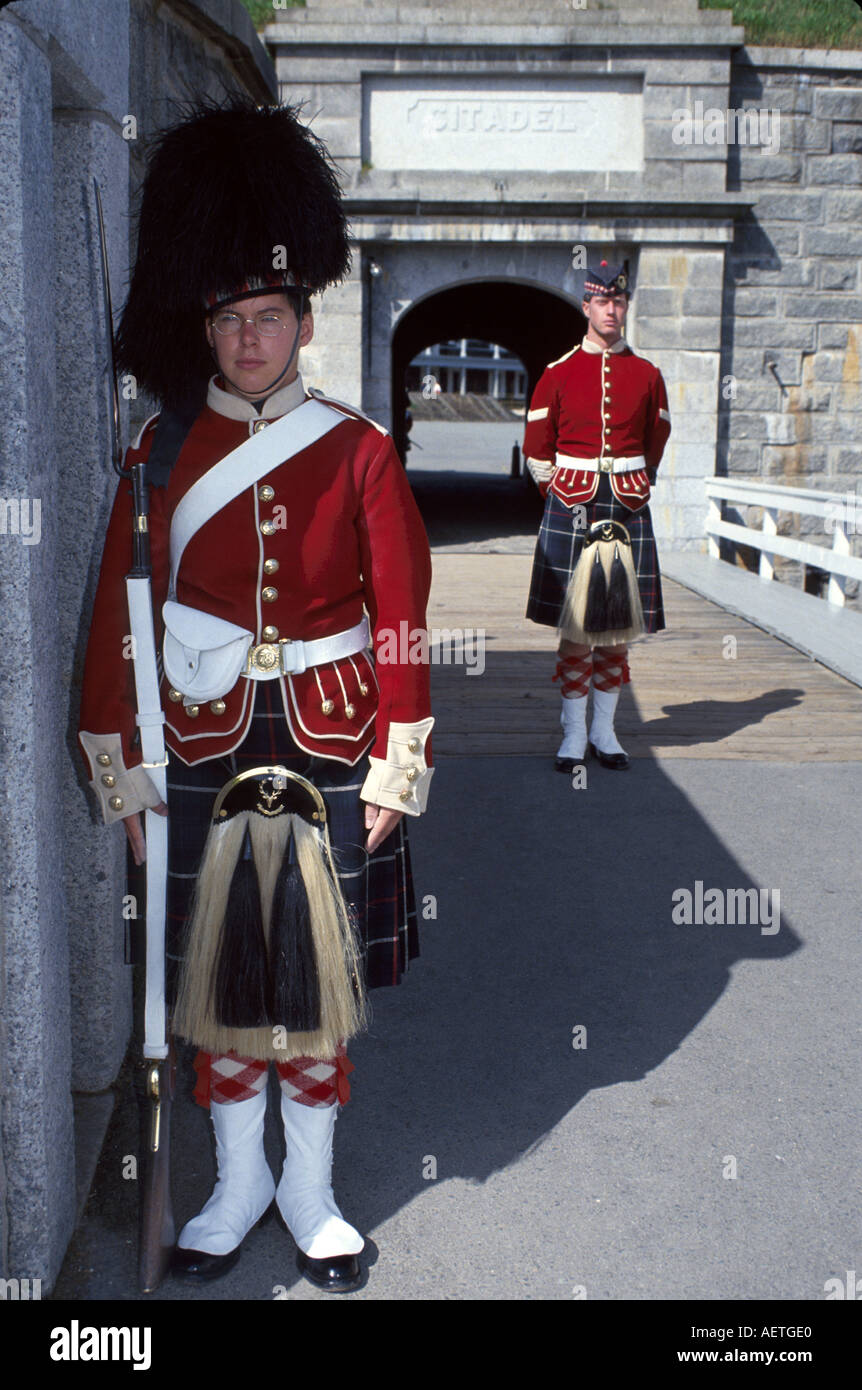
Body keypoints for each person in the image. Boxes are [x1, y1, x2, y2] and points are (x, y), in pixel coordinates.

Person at [77, 98, 433, 1293]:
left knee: (312, 982)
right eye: (228, 320)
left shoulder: (359, 450)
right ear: (210, 325)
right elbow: (114, 630)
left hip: (330, 739)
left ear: (303, 319)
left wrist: (399, 755)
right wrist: (123, 766)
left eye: (267, 318)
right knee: (225, 984)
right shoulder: (157, 455)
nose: (247, 341)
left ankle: (311, 1189)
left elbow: (401, 616)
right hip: (198, 742)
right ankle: (233, 1185)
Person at [523, 261, 671, 772]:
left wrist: (639, 479)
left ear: (626, 306)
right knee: (576, 628)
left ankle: (606, 731)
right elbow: (537, 448)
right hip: (574, 502)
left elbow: (657, 437)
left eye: (619, 302)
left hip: (627, 503)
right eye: (603, 302)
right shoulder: (557, 373)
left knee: (618, 626)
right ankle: (572, 733)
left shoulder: (648, 374)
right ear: (586, 307)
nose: (612, 310)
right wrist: (560, 494)